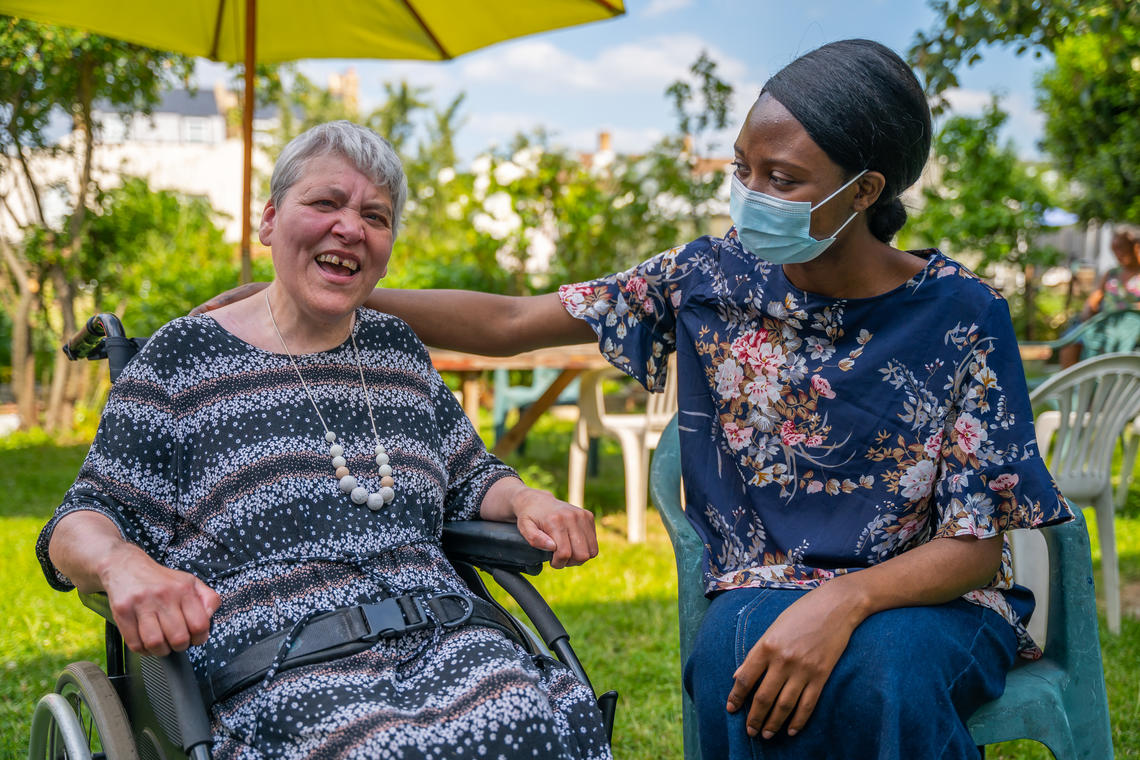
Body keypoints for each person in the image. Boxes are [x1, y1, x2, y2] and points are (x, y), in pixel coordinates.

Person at [198, 40, 1073, 759]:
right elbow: (511, 321)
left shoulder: (963, 315)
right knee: (739, 662)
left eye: (782, 179)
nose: (751, 197)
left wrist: (842, 603)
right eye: (743, 168)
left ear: (866, 191)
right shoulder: (709, 277)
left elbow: (973, 551)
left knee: (884, 676)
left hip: (928, 601)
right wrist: (336, 289)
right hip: (765, 583)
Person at [37, 121, 612, 759]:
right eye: (325, 202)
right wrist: (121, 564)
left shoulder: (396, 350)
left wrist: (527, 498)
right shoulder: (184, 358)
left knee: (530, 719)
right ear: (270, 220)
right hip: (281, 660)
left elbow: (471, 475)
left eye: (375, 216)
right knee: (375, 749)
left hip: (445, 634)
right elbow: (81, 519)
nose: (350, 228)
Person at [1059, 227, 1140, 367]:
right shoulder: (1111, 274)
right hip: (1106, 325)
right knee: (1071, 339)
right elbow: (1093, 301)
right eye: (1114, 250)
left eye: (1121, 248)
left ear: (1136, 247)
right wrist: (1088, 312)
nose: (1117, 254)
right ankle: (1073, 380)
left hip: (1133, 329)